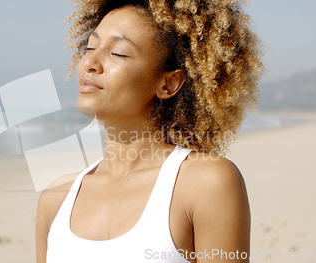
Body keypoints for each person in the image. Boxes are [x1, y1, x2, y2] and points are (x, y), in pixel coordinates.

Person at [36, 0, 263, 262]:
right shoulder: (56, 200)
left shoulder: (205, 183)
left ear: (169, 83)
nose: (90, 62)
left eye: (118, 53)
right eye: (90, 47)